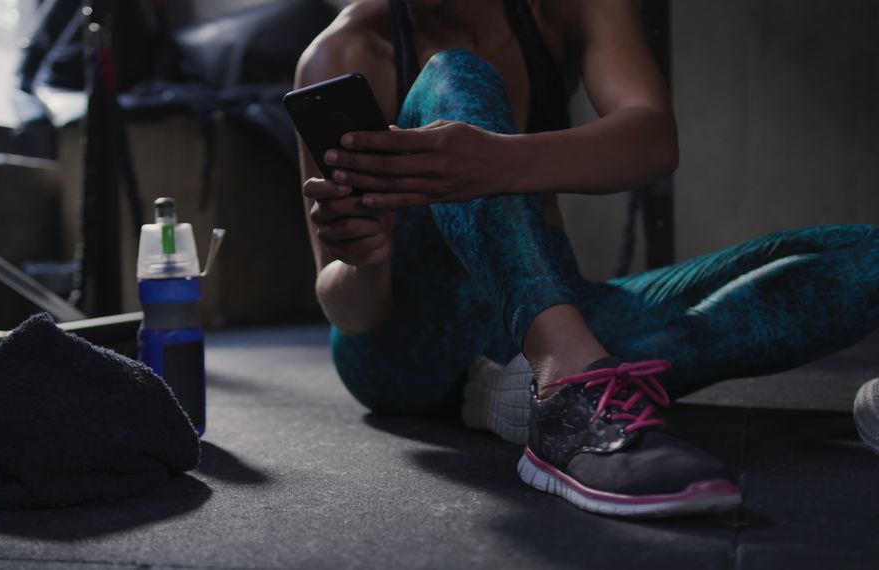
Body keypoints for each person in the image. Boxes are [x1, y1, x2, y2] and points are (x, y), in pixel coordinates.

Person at [295, 0, 879, 517]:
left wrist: (497, 162)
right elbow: (350, 312)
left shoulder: (566, 8)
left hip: (550, 302)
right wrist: (366, 257)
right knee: (454, 73)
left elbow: (653, 139)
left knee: (865, 258)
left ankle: (527, 393)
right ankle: (566, 387)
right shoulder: (345, 51)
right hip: (408, 348)